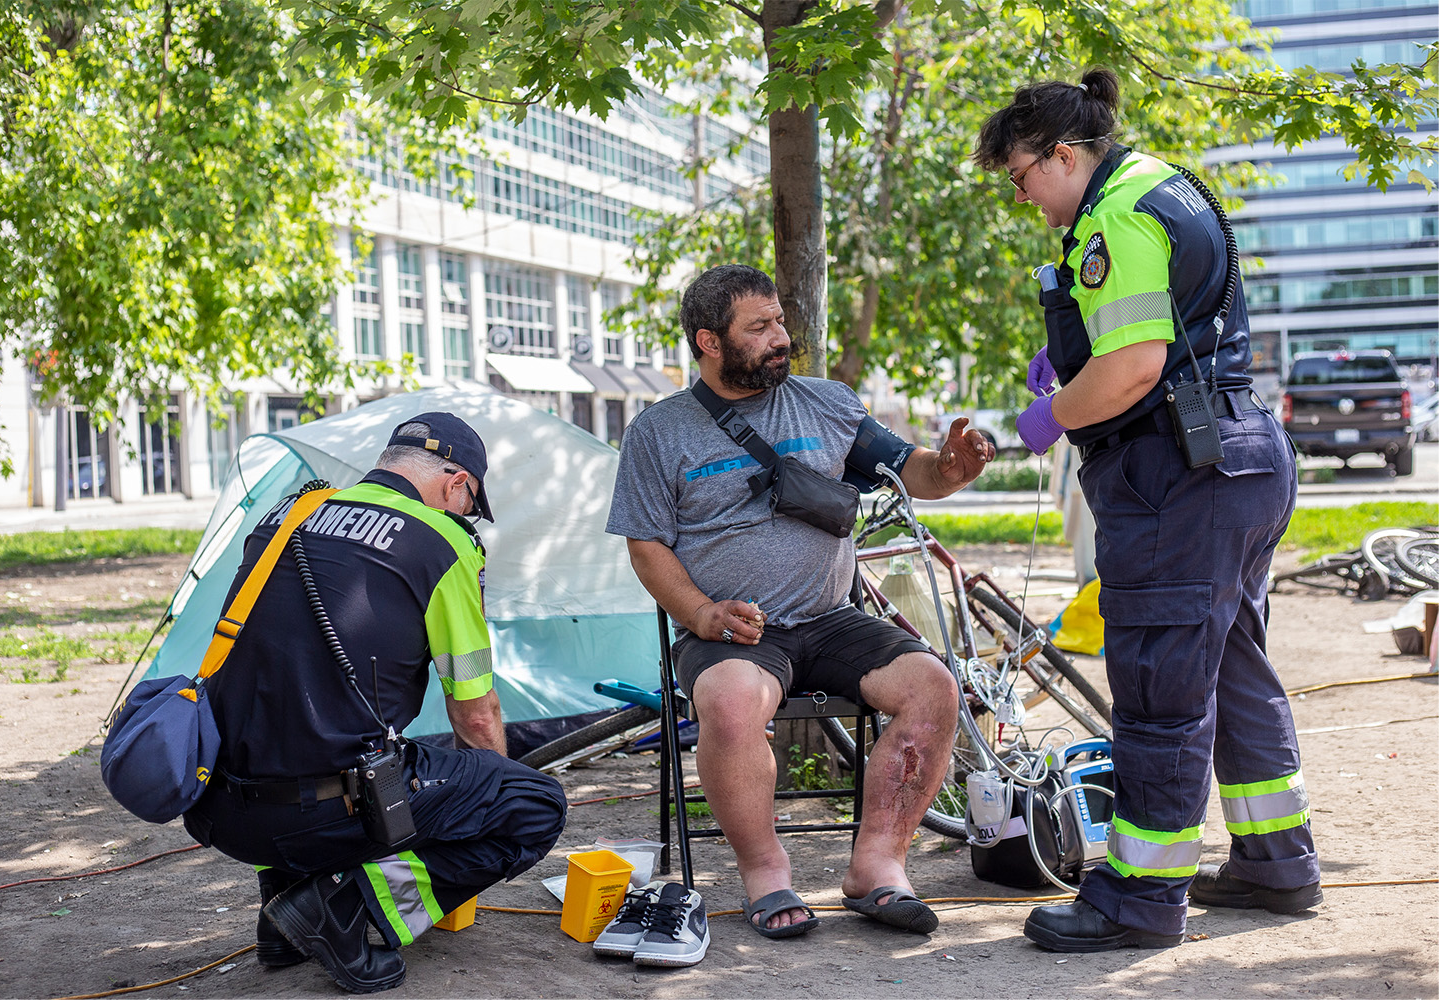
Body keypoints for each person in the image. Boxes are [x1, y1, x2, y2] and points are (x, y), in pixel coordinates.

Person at [973, 69, 1321, 953]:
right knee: (1235, 665)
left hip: (1180, 475)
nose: (1025, 199)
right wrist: (1074, 374)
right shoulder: (1166, 184)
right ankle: (1277, 862)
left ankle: (1139, 897)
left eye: (1021, 178)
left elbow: (1131, 369)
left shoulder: (1114, 216)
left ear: (1061, 154)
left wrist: (1051, 413)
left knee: (1162, 684)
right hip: (1238, 456)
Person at [606, 264, 994, 939]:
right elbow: (646, 548)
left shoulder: (828, 403)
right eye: (759, 328)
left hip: (832, 619)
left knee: (934, 685)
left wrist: (952, 469)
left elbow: (915, 471)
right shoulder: (657, 433)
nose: (780, 336)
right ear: (708, 342)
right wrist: (701, 613)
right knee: (728, 703)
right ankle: (766, 871)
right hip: (733, 631)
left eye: (780, 320)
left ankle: (876, 866)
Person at [183, 412, 567, 993]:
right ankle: (341, 906)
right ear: (457, 483)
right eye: (468, 505)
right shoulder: (441, 543)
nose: (466, 517)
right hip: (320, 813)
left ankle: (282, 913)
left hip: (215, 808)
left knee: (294, 716)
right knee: (532, 804)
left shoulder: (285, 516)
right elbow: (476, 712)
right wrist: (483, 785)